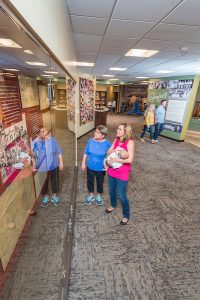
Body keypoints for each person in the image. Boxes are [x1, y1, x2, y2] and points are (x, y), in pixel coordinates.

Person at [105, 123, 134, 225]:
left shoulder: (129, 142)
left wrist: (117, 159)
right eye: (117, 128)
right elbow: (108, 152)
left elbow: (130, 159)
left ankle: (126, 215)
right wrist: (114, 150)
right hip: (112, 169)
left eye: (120, 129)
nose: (117, 130)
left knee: (121, 195)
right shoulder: (117, 139)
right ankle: (113, 205)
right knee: (111, 190)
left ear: (125, 132)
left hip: (122, 172)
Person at [32, 127, 64, 207]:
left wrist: (61, 162)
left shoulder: (53, 140)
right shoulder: (36, 142)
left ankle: (54, 196)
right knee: (43, 182)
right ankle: (46, 196)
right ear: (38, 134)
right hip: (42, 167)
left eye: (45, 130)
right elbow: (34, 155)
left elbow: (59, 150)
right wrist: (34, 165)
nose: (46, 132)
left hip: (53, 164)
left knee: (54, 180)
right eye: (43, 131)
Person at [81, 125, 110, 206]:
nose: (95, 133)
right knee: (90, 181)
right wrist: (83, 162)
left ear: (103, 135)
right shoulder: (90, 140)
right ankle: (91, 195)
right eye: (95, 131)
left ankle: (98, 195)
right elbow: (86, 152)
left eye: (97, 132)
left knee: (100, 182)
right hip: (90, 166)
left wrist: (108, 166)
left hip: (101, 168)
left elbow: (110, 156)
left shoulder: (107, 144)